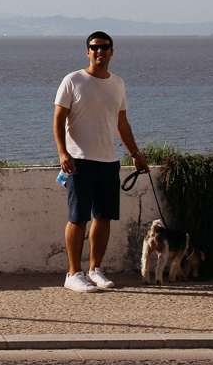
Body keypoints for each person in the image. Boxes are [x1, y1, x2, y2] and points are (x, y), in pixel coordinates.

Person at [53, 31, 147, 292]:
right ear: (88, 52)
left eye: (105, 47)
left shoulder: (118, 83)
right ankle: (73, 274)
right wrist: (63, 153)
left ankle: (95, 270)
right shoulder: (73, 81)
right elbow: (58, 120)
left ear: (112, 52)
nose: (99, 51)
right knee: (78, 218)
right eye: (94, 48)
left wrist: (136, 154)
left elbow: (122, 123)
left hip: (109, 162)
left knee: (103, 218)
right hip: (79, 162)